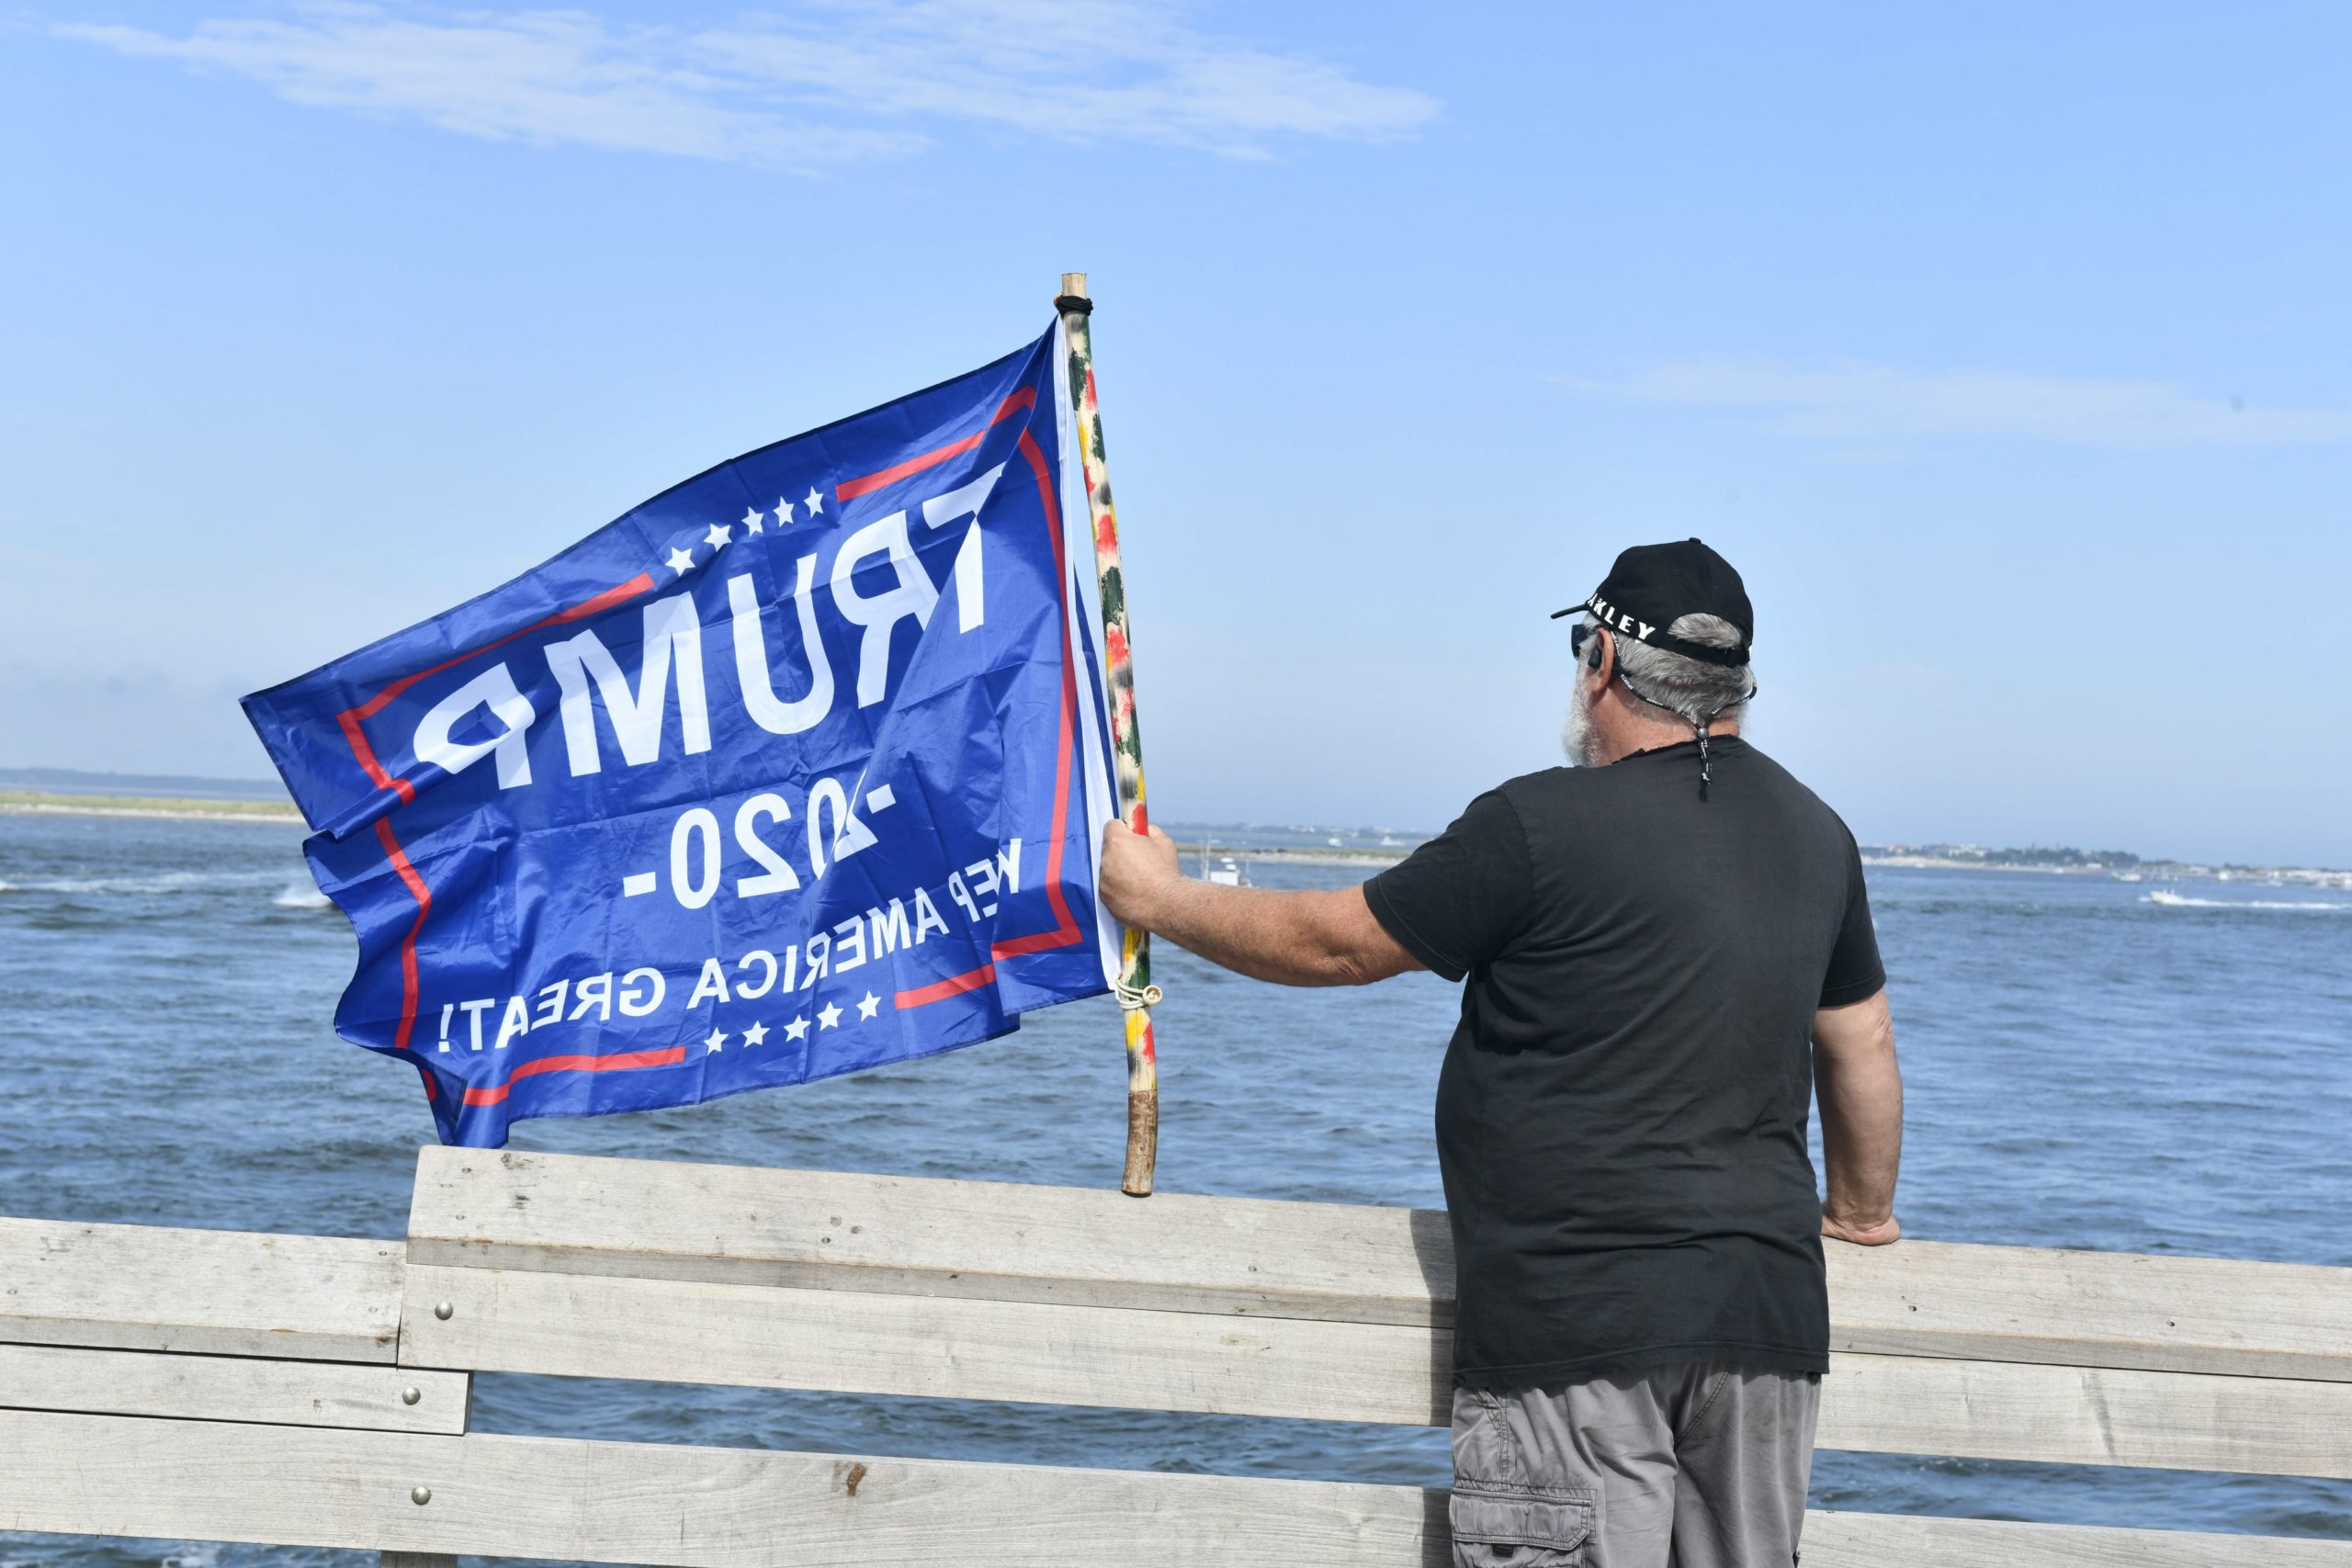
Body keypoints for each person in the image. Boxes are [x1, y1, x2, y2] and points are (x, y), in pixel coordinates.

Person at [1096, 538, 1904, 1568]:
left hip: (1575, 1328)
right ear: (1735, 682)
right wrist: (1861, 1212)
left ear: (1602, 663)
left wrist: (1157, 900)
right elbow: (1861, 1039)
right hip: (1763, 1324)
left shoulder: (1534, 824)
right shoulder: (1816, 834)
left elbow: (1338, 944)